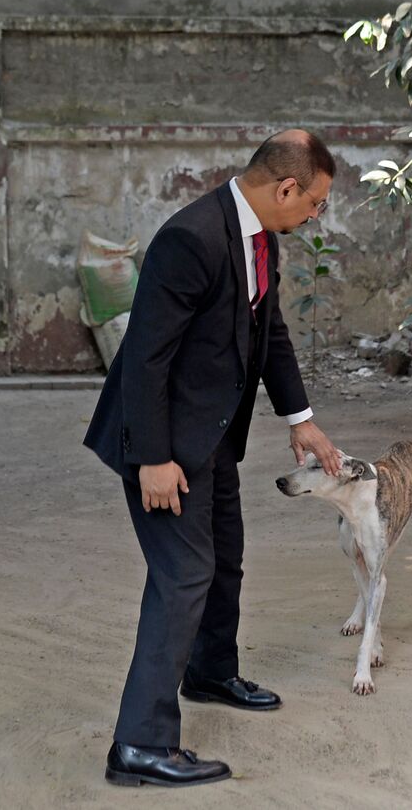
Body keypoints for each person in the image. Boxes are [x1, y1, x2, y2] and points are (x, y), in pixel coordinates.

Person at [84, 129, 343, 788]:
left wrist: (301, 419)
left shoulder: (262, 237)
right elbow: (145, 356)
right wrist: (152, 459)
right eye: (315, 202)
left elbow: (268, 330)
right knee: (183, 576)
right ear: (286, 187)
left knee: (224, 555)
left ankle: (209, 671)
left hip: (212, 434)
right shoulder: (190, 238)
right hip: (162, 442)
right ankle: (139, 745)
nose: (315, 215)